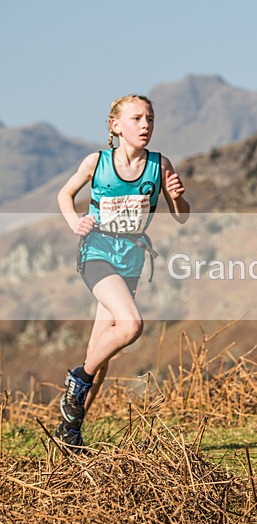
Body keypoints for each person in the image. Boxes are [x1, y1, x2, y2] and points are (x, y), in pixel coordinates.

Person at [55, 94, 190, 448]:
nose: (145, 125)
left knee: (101, 353)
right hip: (98, 252)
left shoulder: (160, 165)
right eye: (136, 119)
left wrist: (177, 196)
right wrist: (74, 222)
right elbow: (64, 195)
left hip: (131, 259)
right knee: (130, 326)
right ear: (116, 126)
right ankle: (77, 379)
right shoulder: (96, 162)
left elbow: (183, 215)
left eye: (149, 119)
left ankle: (69, 431)